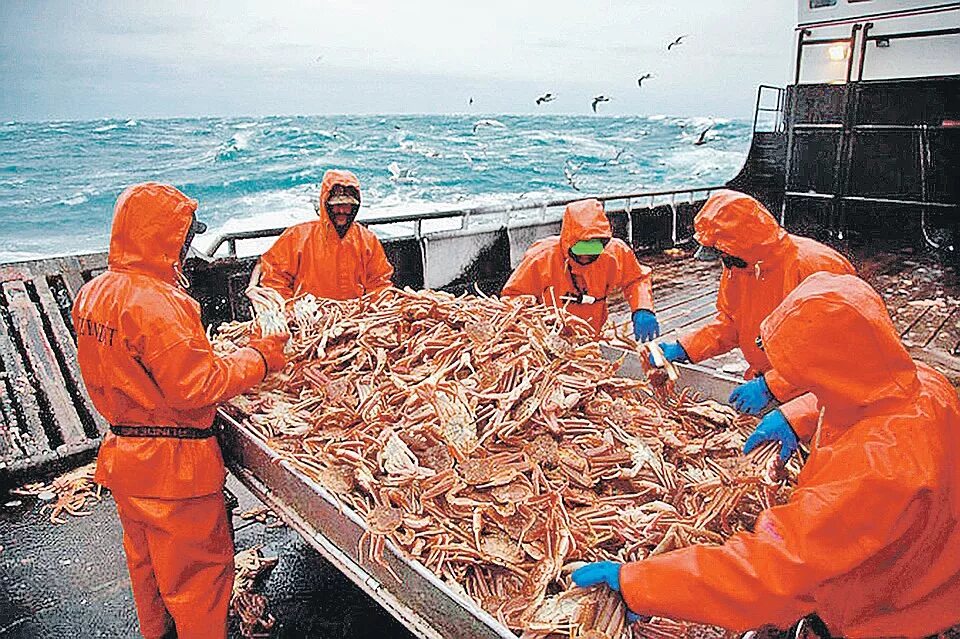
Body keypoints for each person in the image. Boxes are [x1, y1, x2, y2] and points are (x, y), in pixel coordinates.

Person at [573, 272, 960, 638]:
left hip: (888, 612)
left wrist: (641, 584)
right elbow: (865, 398)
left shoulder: (878, 471)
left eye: (804, 376)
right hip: (927, 569)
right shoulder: (923, 382)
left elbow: (772, 570)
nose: (792, 382)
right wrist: (795, 415)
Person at [72, 183, 288, 639]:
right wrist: (263, 356)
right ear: (165, 238)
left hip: (125, 459)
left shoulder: (93, 294)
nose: (187, 249)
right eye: (184, 237)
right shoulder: (159, 303)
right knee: (198, 584)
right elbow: (199, 385)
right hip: (176, 472)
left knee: (147, 571)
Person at [649, 190, 854, 456]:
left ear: (743, 244)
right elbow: (731, 324)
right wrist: (684, 347)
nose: (723, 262)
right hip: (768, 385)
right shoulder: (738, 267)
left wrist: (773, 385)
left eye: (724, 254)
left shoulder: (816, 268)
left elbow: (837, 354)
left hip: (823, 397)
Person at [501, 198, 659, 341]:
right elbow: (513, 297)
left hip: (591, 337)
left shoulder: (614, 253)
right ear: (568, 242)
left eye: (593, 251)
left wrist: (642, 308)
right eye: (580, 250)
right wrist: (533, 327)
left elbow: (636, 279)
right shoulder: (541, 257)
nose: (585, 256)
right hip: (547, 338)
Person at [255, 169, 394, 300]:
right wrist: (292, 312)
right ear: (325, 204)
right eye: (336, 205)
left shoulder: (368, 240)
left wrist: (376, 309)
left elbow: (379, 285)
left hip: (356, 318)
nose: (342, 210)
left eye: (348, 205)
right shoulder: (297, 236)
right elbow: (274, 280)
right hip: (308, 317)